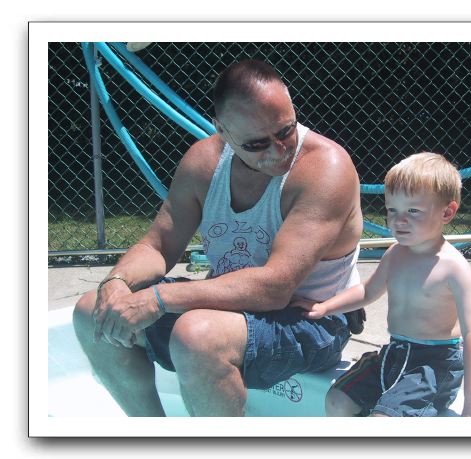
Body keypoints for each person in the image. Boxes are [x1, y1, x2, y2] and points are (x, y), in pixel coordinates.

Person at [72, 59, 364, 416]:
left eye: (286, 130)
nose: (278, 150)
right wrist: (117, 283)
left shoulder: (326, 168)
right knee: (93, 311)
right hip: (230, 313)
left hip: (314, 321)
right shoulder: (204, 162)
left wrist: (158, 299)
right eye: (257, 144)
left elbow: (276, 287)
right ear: (222, 131)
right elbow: (158, 244)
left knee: (197, 335)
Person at [293, 152, 471, 417]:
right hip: (393, 354)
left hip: (432, 365)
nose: (399, 220)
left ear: (447, 212)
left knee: (384, 419)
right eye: (392, 210)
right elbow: (368, 290)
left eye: (413, 211)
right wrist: (325, 306)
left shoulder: (453, 267)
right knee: (336, 400)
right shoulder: (395, 254)